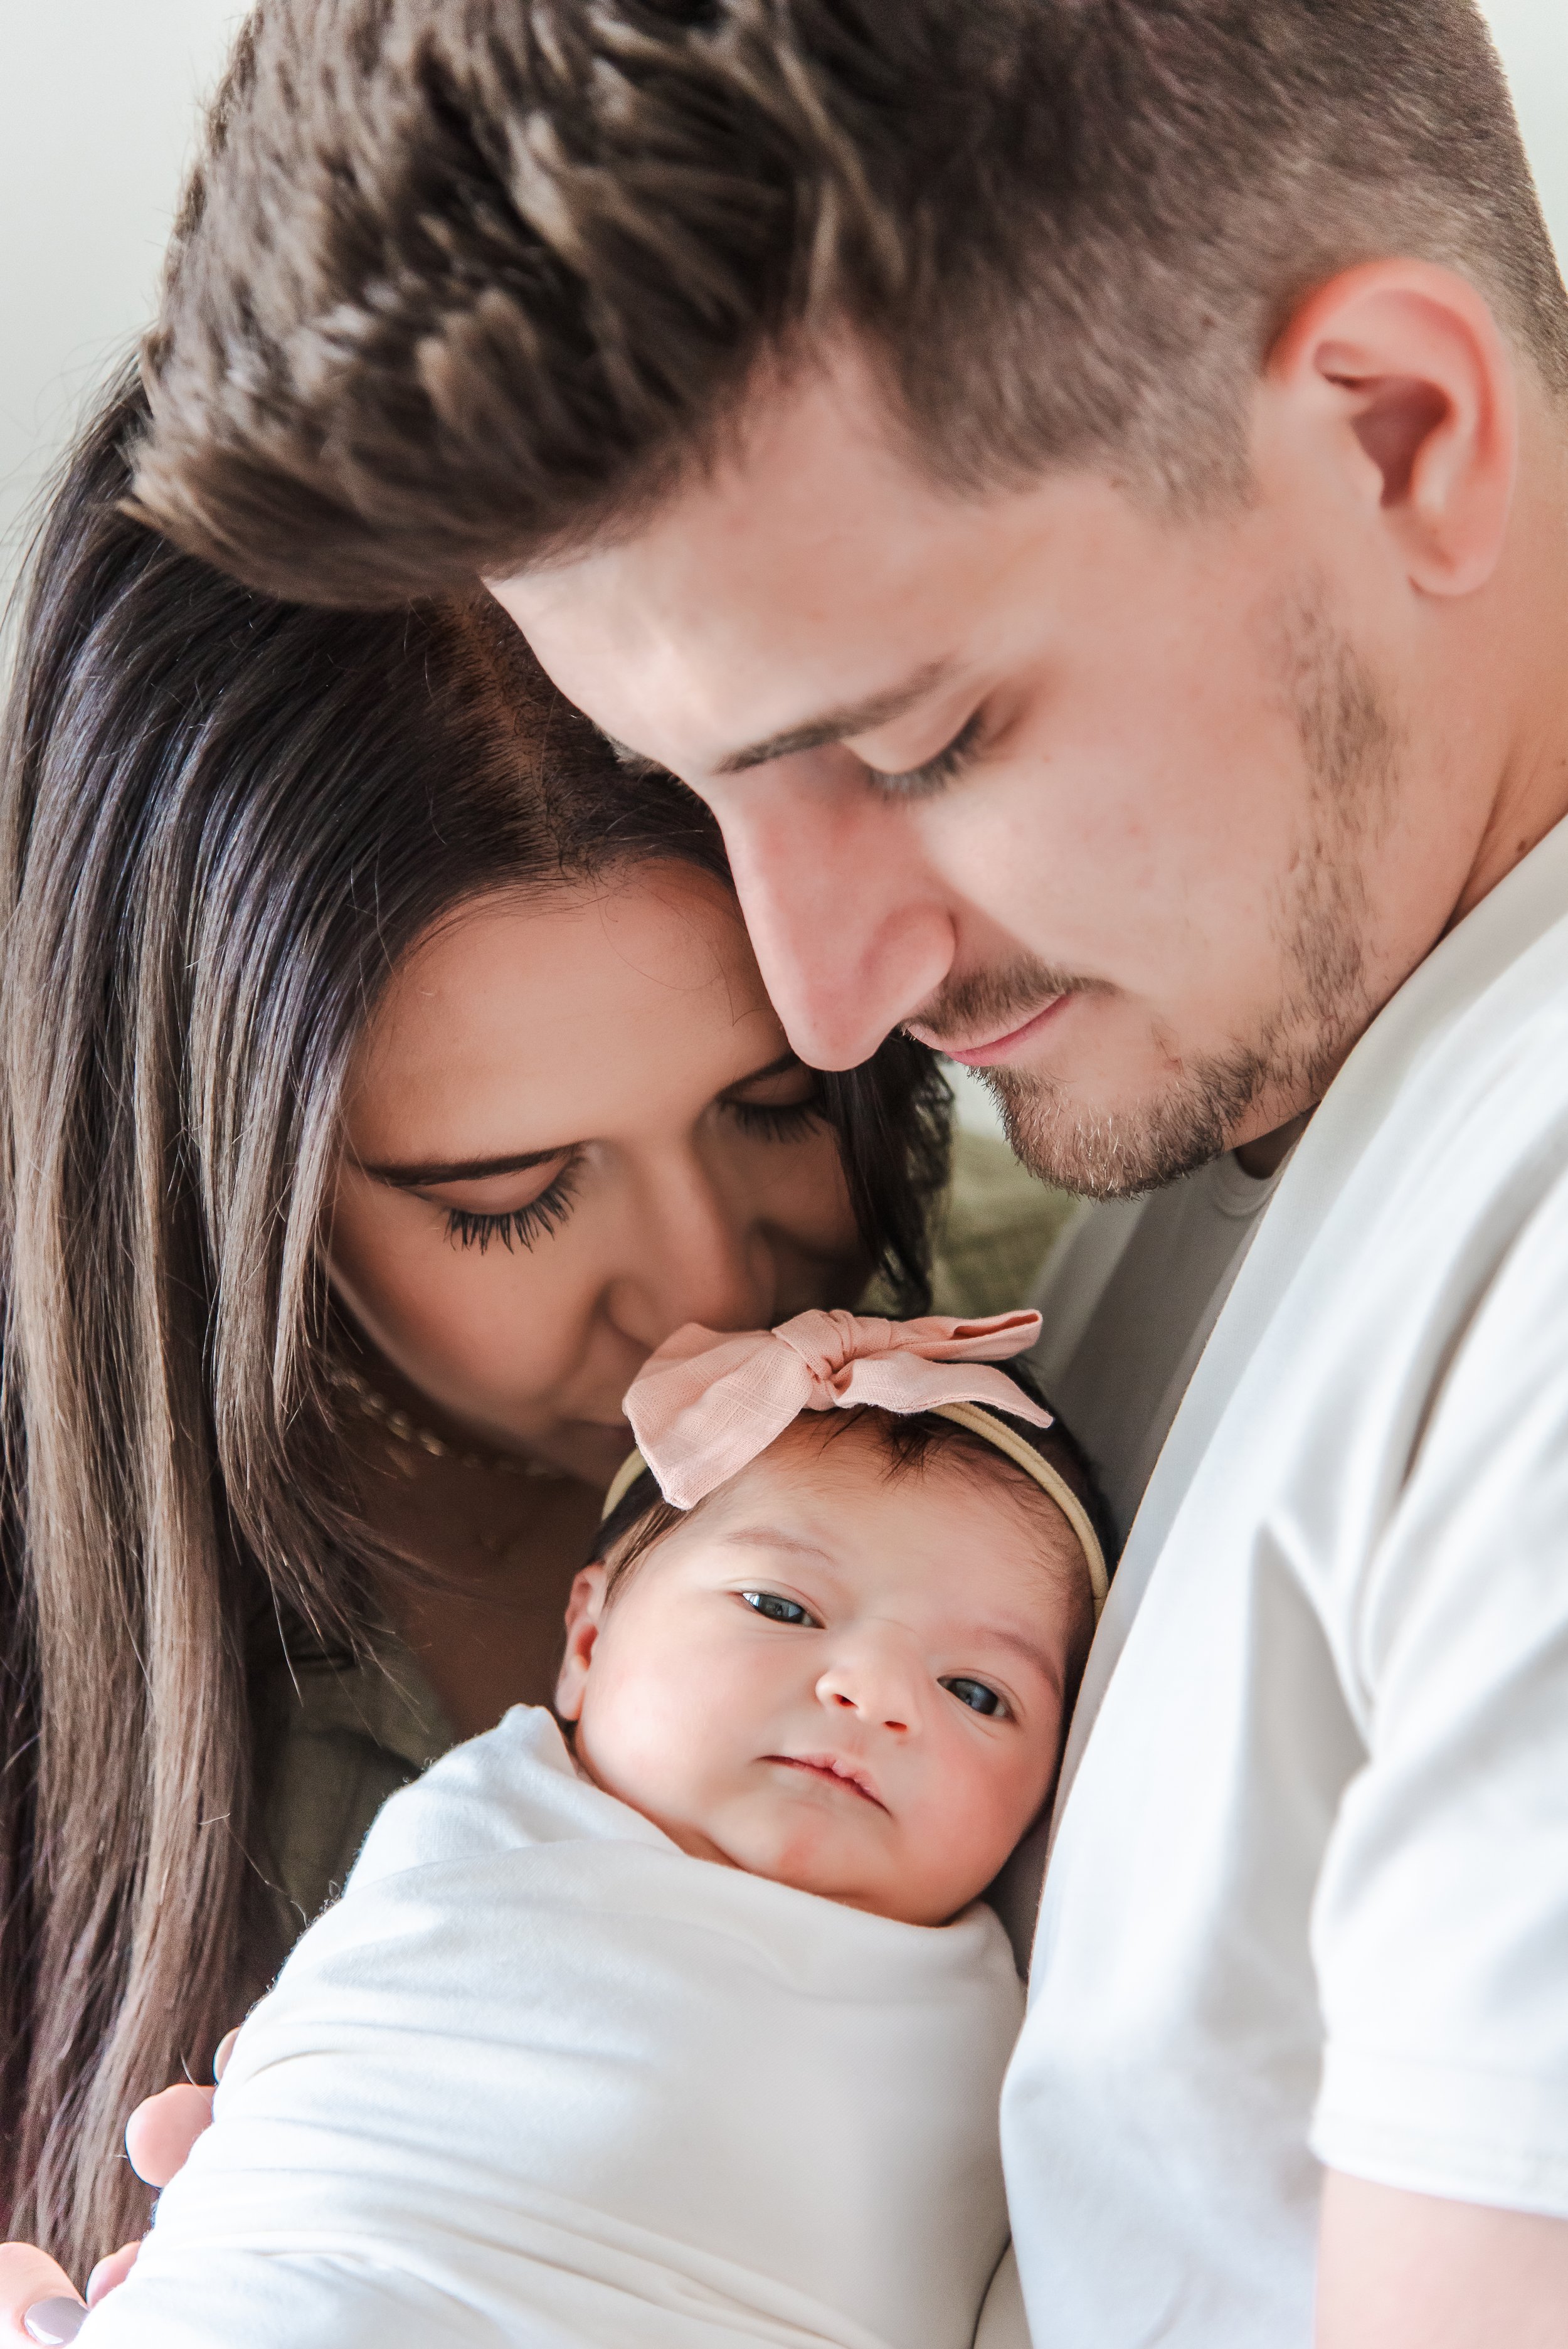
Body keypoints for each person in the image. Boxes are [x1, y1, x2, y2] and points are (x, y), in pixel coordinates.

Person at [12, 1, 1568, 2344]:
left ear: (1399, 432)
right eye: (711, 784)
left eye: (916, 742)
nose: (836, 1011)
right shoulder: (1197, 1067)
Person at [0, 371, 1066, 2297]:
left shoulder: (1048, 1345)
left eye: (770, 1105)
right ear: (217, 1186)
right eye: (502, 1193)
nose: (706, 1297)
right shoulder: (68, 1669)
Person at [59, 1310, 1108, 2349]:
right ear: (590, 1637)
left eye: (977, 1690)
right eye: (781, 1606)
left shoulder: (1040, 2009)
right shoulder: (492, 1827)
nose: (873, 1688)